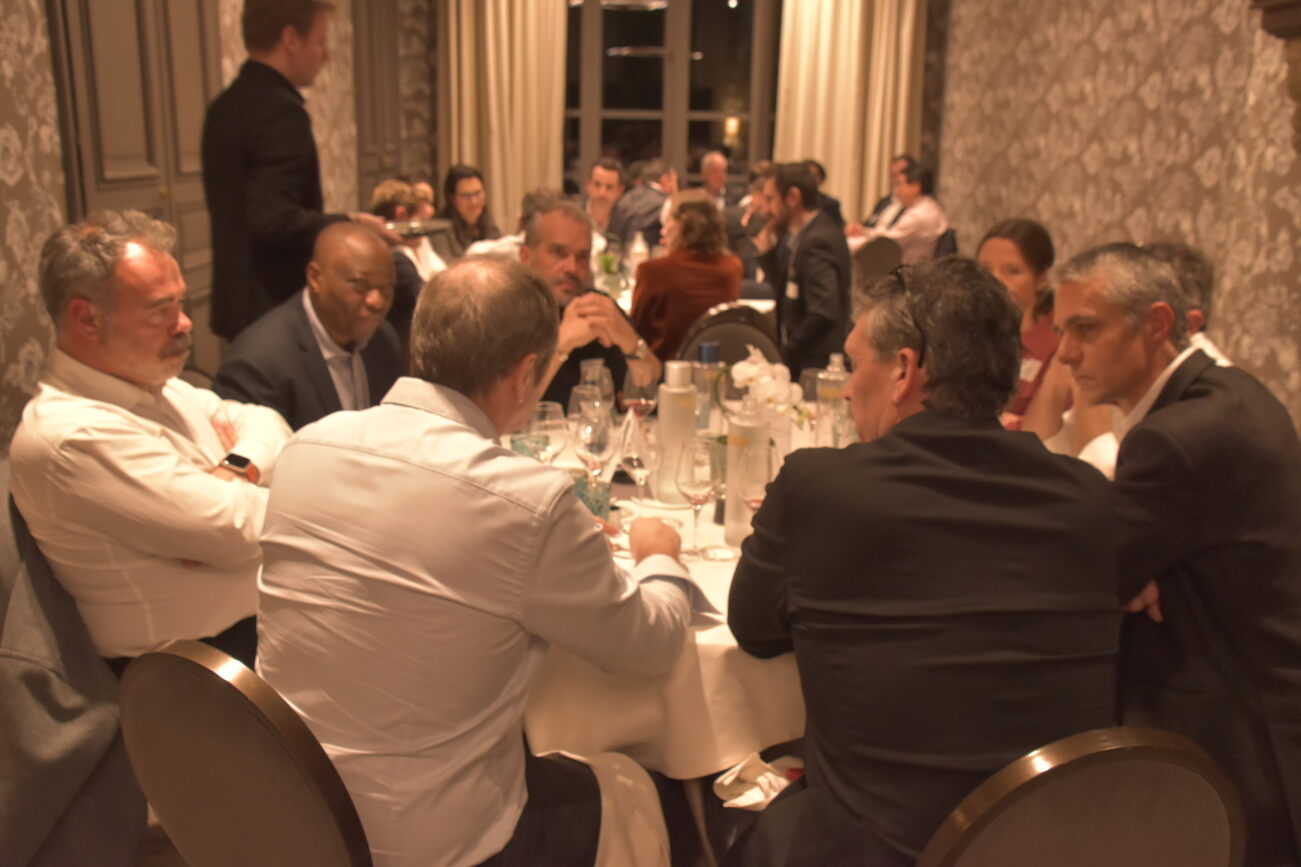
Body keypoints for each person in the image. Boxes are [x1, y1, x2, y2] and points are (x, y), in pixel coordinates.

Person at [257, 255, 702, 866]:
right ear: (526, 375)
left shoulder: (308, 447)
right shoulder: (526, 502)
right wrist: (660, 560)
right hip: (431, 844)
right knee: (639, 785)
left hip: (286, 817)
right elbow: (647, 646)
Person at [725, 257, 1121, 867]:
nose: (847, 388)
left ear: (904, 370)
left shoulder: (820, 489)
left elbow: (752, 628)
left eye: (855, 364)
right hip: (1049, 848)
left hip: (873, 853)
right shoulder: (1089, 500)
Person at [1052, 243, 1301, 866]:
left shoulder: (1174, 439)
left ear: (1156, 324)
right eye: (1061, 331)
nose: (1066, 354)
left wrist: (1123, 570)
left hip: (1238, 740)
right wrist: (1136, 565)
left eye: (1086, 328)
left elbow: (1084, 584)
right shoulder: (1232, 390)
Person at [8, 211, 292, 668]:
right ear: (87, 319)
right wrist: (245, 504)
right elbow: (239, 529)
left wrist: (236, 468)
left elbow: (268, 422)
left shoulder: (160, 385)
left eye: (181, 304)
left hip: (257, 632)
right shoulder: (72, 436)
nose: (185, 323)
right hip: (185, 674)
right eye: (161, 310)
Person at [202, 0, 395, 341]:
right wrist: (352, 222)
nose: (326, 55)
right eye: (320, 42)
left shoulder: (224, 106)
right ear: (290, 39)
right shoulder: (280, 112)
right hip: (270, 304)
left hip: (235, 301)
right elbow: (272, 220)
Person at [213, 223, 402, 430]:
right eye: (360, 285)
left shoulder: (384, 339)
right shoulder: (257, 364)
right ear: (315, 278)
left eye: (386, 288)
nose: (377, 302)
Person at [518, 201, 661, 405]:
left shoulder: (596, 308)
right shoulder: (504, 314)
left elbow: (654, 396)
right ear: (525, 256)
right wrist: (562, 345)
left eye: (582, 257)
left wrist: (632, 344)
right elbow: (505, 413)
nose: (572, 267)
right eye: (559, 253)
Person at [754, 162, 852, 376]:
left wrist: (784, 355)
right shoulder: (801, 235)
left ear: (793, 197)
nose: (765, 210)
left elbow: (823, 311)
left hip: (815, 367)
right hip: (805, 360)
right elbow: (788, 291)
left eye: (770, 199)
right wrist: (768, 255)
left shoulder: (817, 240)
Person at [630, 189, 742, 362]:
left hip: (662, 371)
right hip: (714, 369)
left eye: (667, 221)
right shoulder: (733, 267)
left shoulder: (652, 271)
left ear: (679, 226)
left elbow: (636, 333)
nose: (663, 230)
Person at [976, 218, 1058, 423]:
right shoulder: (967, 332)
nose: (995, 280)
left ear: (1041, 279)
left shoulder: (1057, 342)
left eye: (1012, 271)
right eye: (985, 270)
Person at [367, 177, 446, 340]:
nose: (423, 229)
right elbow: (434, 304)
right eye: (420, 220)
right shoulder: (395, 261)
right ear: (401, 215)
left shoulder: (382, 252)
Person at [854, 164, 949, 264]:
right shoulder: (930, 207)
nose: (896, 190)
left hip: (909, 268)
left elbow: (886, 241)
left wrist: (864, 232)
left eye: (899, 184)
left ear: (915, 187)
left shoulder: (919, 215)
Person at [431, 164, 501, 262]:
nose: (474, 201)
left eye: (477, 193)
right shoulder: (440, 230)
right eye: (466, 196)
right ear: (452, 198)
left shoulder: (488, 223)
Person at [608, 158, 678, 252]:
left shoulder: (626, 197)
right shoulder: (667, 203)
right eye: (675, 181)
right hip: (652, 258)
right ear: (665, 180)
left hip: (619, 257)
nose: (677, 186)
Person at [845, 153, 917, 237]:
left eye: (900, 174)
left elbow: (894, 234)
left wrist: (866, 232)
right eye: (893, 175)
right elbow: (870, 223)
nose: (896, 180)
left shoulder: (913, 208)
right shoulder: (885, 201)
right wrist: (857, 228)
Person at [580, 157, 626, 233]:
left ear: (620, 191)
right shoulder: (572, 217)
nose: (602, 193)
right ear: (588, 185)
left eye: (609, 187)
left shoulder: (627, 221)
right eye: (597, 185)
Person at [802, 158, 843, 226]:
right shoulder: (790, 201)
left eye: (815, 176)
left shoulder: (831, 204)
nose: (811, 179)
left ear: (821, 179)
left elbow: (839, 227)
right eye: (807, 175)